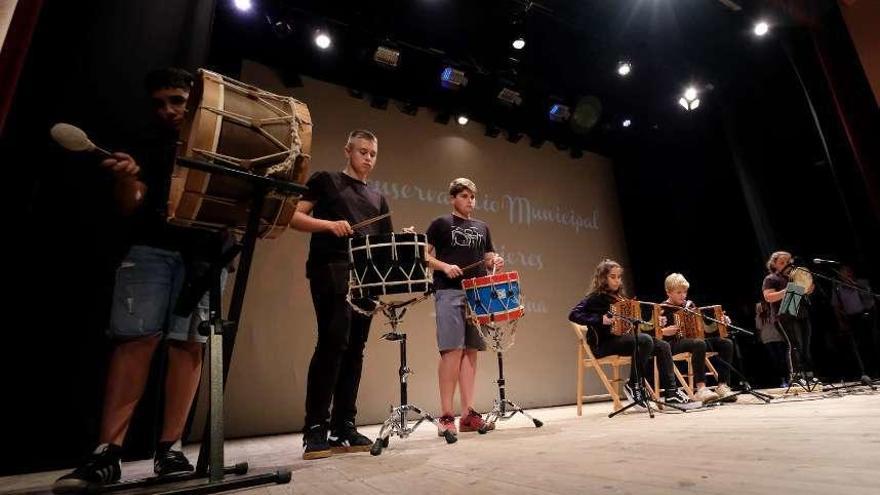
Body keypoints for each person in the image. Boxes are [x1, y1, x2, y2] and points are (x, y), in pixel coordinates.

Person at [54, 68, 227, 493]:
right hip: (150, 249)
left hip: (204, 253)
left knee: (189, 344)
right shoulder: (141, 142)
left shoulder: (217, 141)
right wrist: (127, 178)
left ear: (195, 100)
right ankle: (106, 453)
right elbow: (131, 205)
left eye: (176, 101)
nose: (167, 109)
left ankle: (170, 449)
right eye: (159, 102)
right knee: (136, 341)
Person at [289, 129, 392, 459]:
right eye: (362, 151)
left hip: (365, 280)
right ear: (347, 150)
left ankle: (343, 425)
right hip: (331, 269)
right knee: (333, 343)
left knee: (355, 350)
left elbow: (381, 247)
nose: (368, 158)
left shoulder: (378, 198)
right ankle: (315, 428)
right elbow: (293, 216)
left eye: (373, 154)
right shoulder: (325, 180)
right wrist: (329, 225)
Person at [425, 178, 503, 435]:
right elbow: (423, 254)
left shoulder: (482, 227)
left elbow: (487, 255)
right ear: (453, 198)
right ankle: (446, 415)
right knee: (452, 351)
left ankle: (468, 414)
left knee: (471, 351)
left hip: (477, 294)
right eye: (464, 196)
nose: (469, 201)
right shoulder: (441, 224)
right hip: (449, 292)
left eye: (472, 197)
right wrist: (444, 266)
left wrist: (495, 259)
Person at [568, 259, 694, 407]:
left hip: (622, 340)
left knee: (662, 345)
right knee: (645, 340)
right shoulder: (594, 298)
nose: (617, 280)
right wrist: (599, 319)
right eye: (612, 277)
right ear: (603, 278)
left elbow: (635, 324)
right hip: (603, 344)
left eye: (619, 277)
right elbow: (573, 314)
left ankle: (671, 392)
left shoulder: (620, 298)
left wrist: (655, 324)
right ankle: (634, 385)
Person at [658, 273, 736, 402]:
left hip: (695, 340)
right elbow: (655, 334)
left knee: (726, 343)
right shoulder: (662, 309)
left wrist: (722, 321)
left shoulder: (690, 306)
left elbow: (704, 327)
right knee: (699, 343)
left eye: (685, 292)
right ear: (668, 292)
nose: (683, 295)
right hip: (672, 343)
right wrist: (663, 331)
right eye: (679, 292)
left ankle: (722, 385)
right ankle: (701, 388)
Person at [761, 251, 817, 387]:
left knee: (805, 345)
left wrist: (808, 284)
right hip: (784, 316)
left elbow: (808, 291)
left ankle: (808, 374)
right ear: (774, 265)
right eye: (781, 262)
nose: (786, 264)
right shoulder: (771, 278)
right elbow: (768, 297)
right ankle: (796, 376)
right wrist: (787, 290)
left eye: (788, 262)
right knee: (794, 345)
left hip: (801, 314)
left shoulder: (796, 276)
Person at [831, 263, 876, 385]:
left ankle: (873, 370)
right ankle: (860, 372)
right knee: (855, 345)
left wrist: (855, 286)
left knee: (869, 343)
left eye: (848, 271)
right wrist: (841, 321)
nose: (847, 274)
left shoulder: (862, 283)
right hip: (850, 318)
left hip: (864, 315)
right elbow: (836, 306)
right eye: (844, 272)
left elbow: (870, 299)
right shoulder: (838, 288)